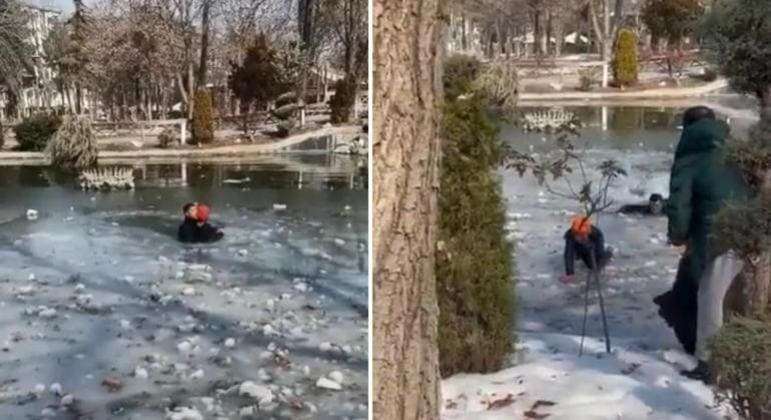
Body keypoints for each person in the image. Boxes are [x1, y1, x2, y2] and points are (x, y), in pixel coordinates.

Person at [659, 106, 749, 381]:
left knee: (710, 296)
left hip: (717, 234)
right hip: (753, 229)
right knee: (735, 294)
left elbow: (679, 204)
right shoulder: (737, 148)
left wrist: (677, 235)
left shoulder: (691, 157)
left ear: (687, 128)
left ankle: (711, 365)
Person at [560, 216, 613, 284]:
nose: (580, 238)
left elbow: (599, 254)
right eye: (578, 235)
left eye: (583, 235)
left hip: (591, 244)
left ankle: (609, 252)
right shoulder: (570, 236)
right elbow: (568, 254)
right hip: (578, 246)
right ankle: (579, 254)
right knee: (577, 254)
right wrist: (570, 273)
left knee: (594, 263)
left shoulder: (596, 234)